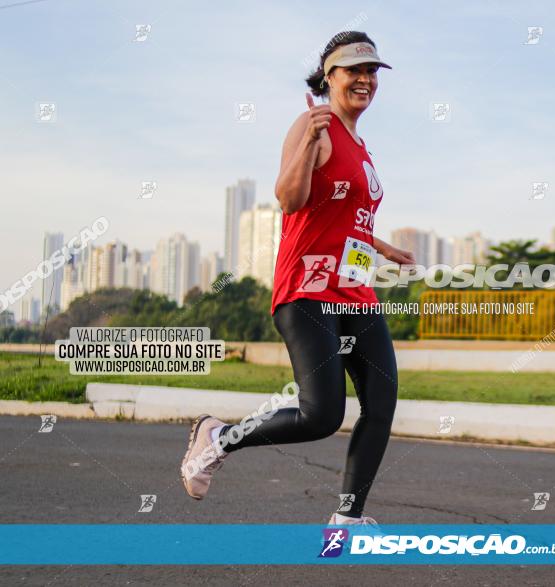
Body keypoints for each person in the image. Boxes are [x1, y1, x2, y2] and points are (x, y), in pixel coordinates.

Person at [180, 31, 415, 527]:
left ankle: (347, 519)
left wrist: (383, 247)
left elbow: (343, 219)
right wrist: (309, 141)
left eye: (372, 71)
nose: (365, 80)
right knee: (321, 416)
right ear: (328, 76)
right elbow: (289, 200)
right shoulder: (314, 125)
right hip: (307, 292)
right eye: (354, 70)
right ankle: (218, 437)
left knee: (382, 402)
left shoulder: (360, 144)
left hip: (354, 292)